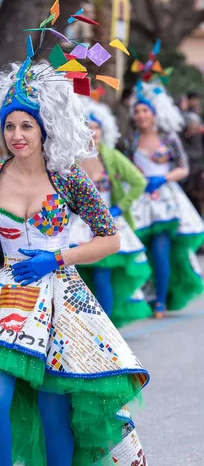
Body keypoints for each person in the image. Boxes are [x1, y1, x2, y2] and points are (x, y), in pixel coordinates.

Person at [0, 44, 156, 466]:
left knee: (53, 407)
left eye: (26, 127)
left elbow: (110, 238)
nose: (16, 136)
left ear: (44, 130)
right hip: (9, 300)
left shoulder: (68, 177)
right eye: (9, 126)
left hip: (62, 299)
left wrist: (59, 257)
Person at [70, 100, 151, 326]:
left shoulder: (111, 156)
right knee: (74, 278)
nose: (91, 132)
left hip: (106, 224)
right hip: (76, 225)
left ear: (103, 130)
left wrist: (119, 207)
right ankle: (79, 328)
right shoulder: (70, 158)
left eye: (96, 127)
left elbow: (138, 181)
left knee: (103, 275)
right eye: (86, 126)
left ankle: (105, 330)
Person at [129, 80, 204, 318]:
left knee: (162, 249)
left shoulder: (169, 137)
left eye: (145, 110)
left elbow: (183, 167)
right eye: (137, 111)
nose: (140, 115)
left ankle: (160, 300)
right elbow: (128, 169)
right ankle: (150, 296)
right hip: (140, 201)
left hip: (166, 201)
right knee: (144, 250)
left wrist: (163, 179)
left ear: (154, 113)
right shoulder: (131, 141)